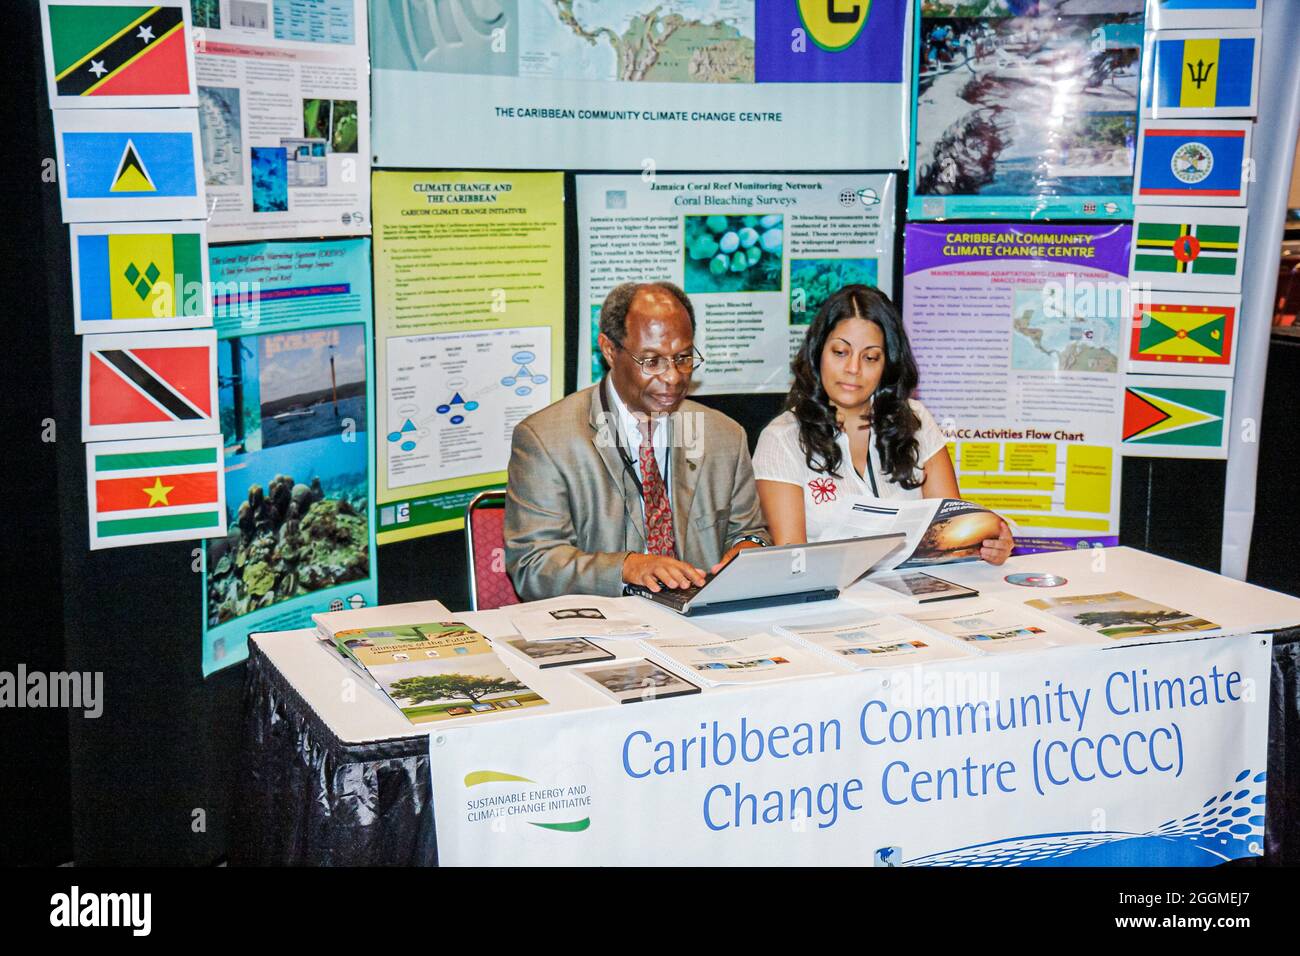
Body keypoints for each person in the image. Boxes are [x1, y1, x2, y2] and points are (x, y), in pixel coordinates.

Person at [504, 281, 770, 601]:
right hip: (604, 624)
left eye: (683, 358)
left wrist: (748, 551)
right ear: (609, 350)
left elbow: (751, 534)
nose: (673, 377)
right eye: (652, 361)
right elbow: (533, 566)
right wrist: (626, 567)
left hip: (699, 624)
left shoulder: (724, 436)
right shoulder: (546, 440)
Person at [753, 285, 1013, 564]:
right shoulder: (782, 439)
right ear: (818, 353)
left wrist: (985, 546)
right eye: (840, 352)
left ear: (887, 364)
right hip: (832, 600)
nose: (853, 368)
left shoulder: (916, 419)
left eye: (870, 357)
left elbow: (951, 538)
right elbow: (794, 562)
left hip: (916, 594)